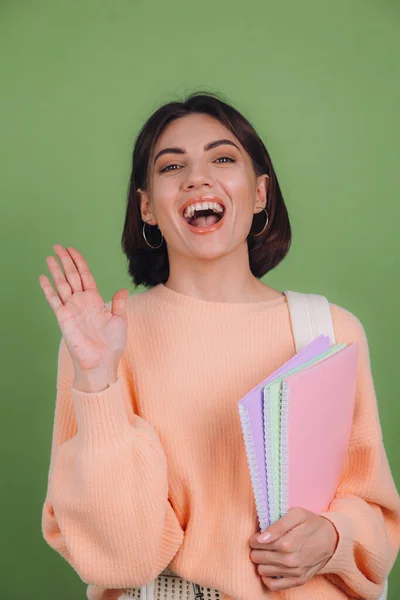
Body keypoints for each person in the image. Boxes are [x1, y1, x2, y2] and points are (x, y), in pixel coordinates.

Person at [39, 92, 400, 600]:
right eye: (171, 166)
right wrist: (97, 379)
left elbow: (377, 516)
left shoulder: (329, 331)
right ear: (147, 206)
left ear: (259, 194)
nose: (197, 177)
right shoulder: (109, 339)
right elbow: (122, 556)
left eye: (223, 158)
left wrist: (336, 536)